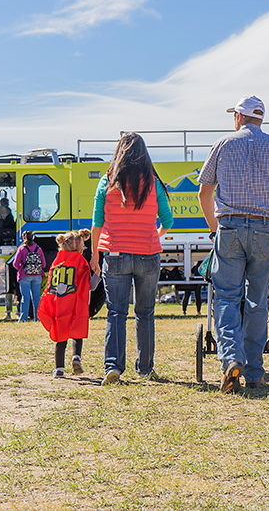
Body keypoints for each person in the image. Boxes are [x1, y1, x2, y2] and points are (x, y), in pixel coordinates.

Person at [198, 95, 269, 393]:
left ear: (239, 117)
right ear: (260, 119)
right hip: (266, 230)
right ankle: (255, 372)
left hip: (229, 227)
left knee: (227, 297)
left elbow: (204, 194)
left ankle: (231, 359)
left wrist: (215, 229)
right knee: (258, 299)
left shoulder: (223, 144)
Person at [89, 132, 174, 386]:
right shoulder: (154, 184)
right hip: (148, 256)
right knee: (145, 313)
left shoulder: (106, 182)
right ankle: (145, 368)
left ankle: (113, 366)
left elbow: (96, 224)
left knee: (116, 312)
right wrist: (153, 236)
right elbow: (168, 222)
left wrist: (94, 256)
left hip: (114, 255)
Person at [38, 229, 100, 378]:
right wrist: (97, 274)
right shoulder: (80, 261)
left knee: (61, 339)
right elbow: (89, 285)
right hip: (76, 305)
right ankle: (76, 357)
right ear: (80, 247)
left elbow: (50, 286)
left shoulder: (57, 262)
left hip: (59, 305)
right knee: (76, 332)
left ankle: (59, 369)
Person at [12, 229, 47, 322]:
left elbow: (15, 264)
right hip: (37, 276)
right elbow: (43, 265)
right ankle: (38, 318)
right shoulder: (38, 249)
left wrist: (22, 266)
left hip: (25, 275)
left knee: (25, 297)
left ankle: (23, 318)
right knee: (36, 297)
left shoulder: (22, 249)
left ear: (23, 238)